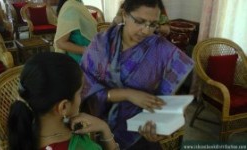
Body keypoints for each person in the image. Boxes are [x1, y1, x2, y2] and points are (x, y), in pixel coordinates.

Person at [80, 0, 194, 149]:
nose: (146, 31)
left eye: (153, 24)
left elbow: (169, 101)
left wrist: (162, 124)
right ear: (124, 15)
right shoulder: (101, 44)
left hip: (139, 131)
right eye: (140, 22)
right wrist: (127, 94)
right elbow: (84, 88)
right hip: (98, 127)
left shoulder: (162, 50)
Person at [7, 52, 119, 150]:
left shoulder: (23, 130)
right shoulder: (84, 147)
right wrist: (104, 128)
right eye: (79, 93)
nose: (82, 97)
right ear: (63, 107)